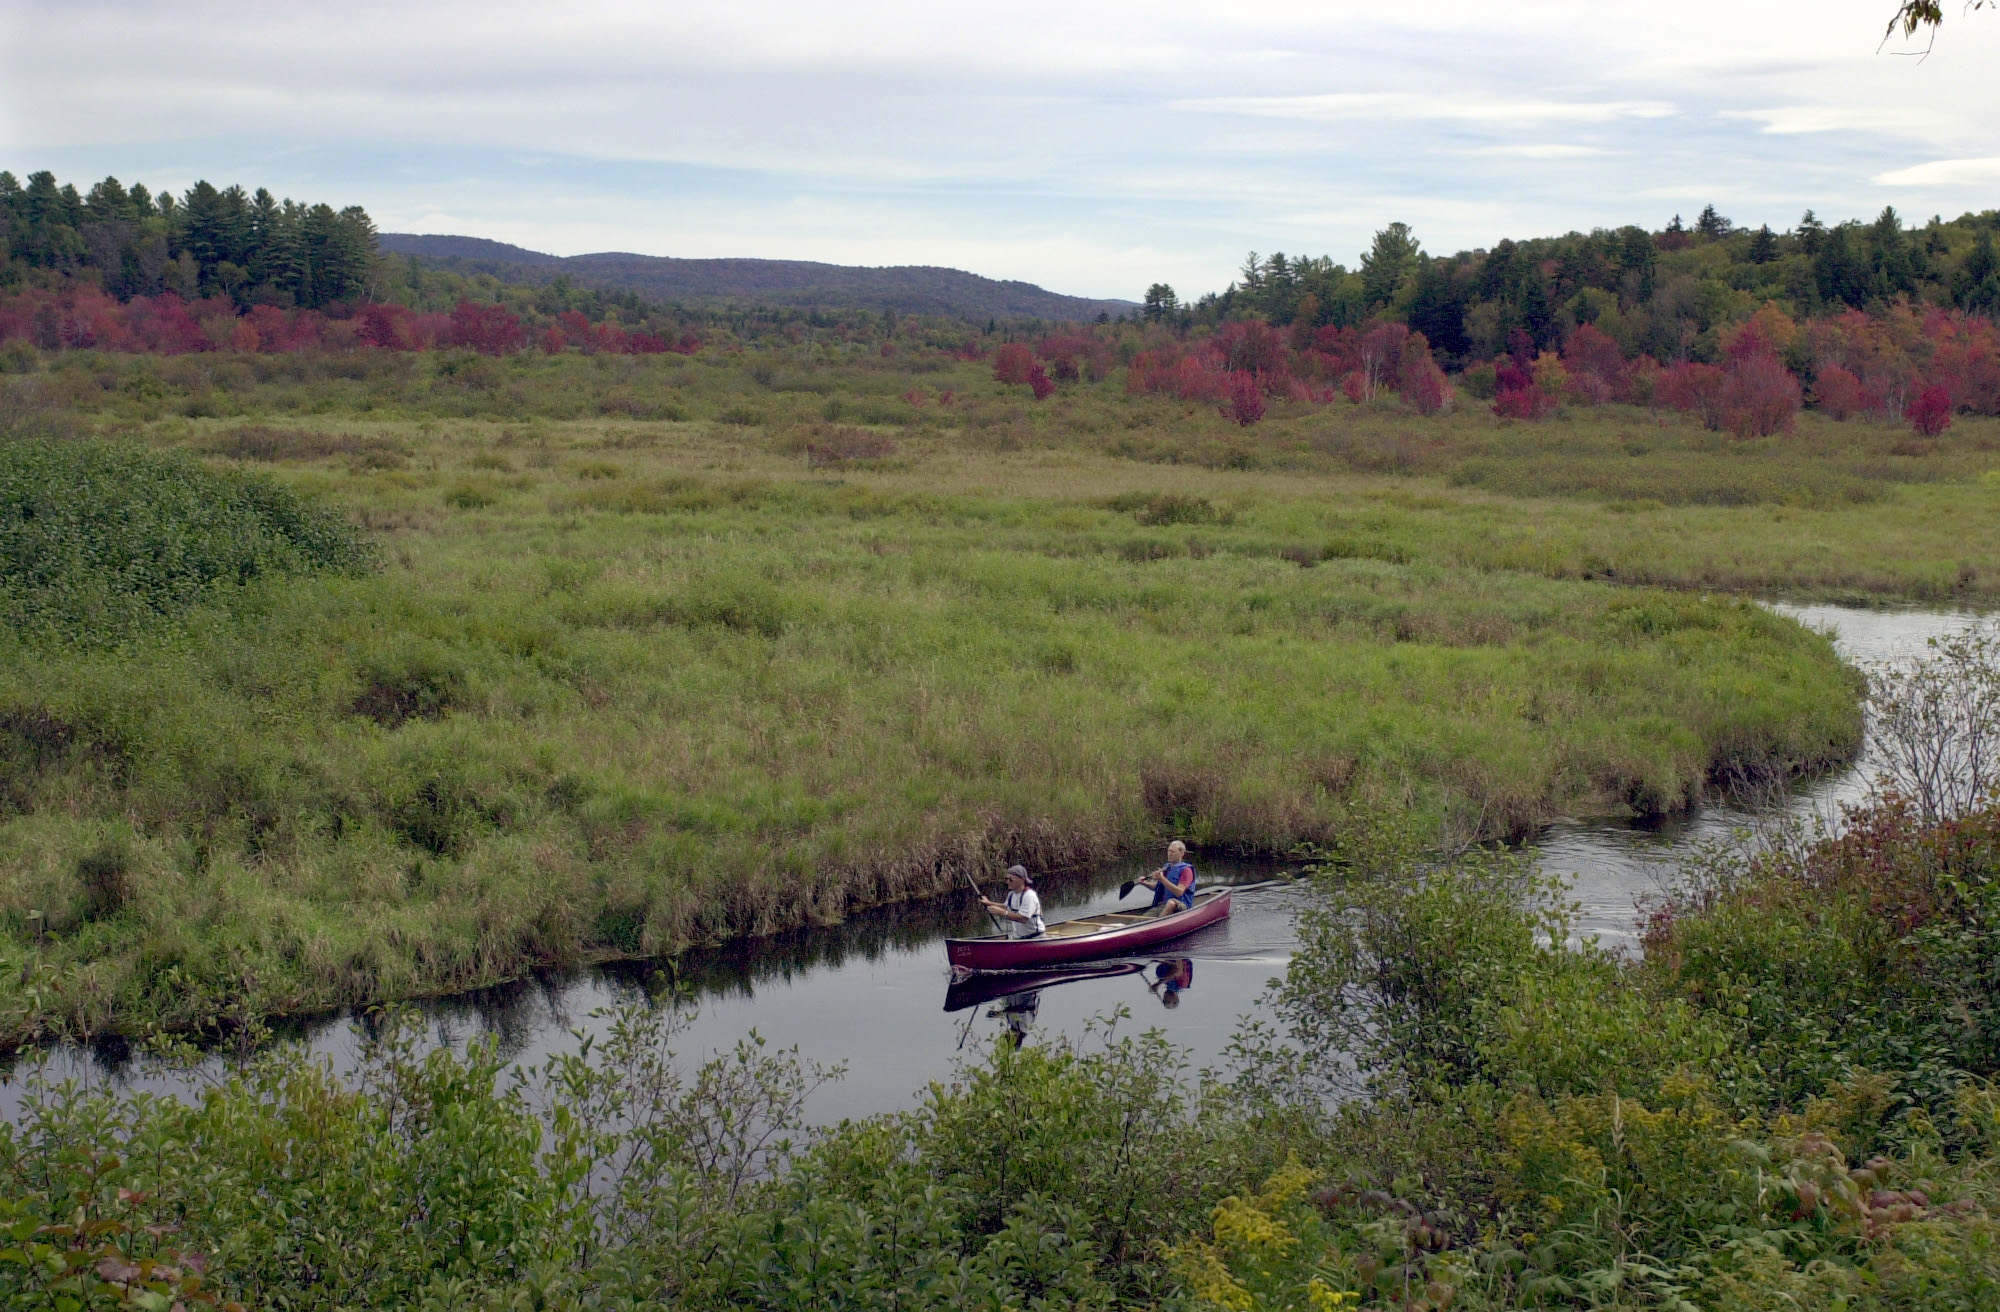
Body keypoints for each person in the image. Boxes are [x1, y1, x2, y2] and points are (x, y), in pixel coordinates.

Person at [980, 865, 1045, 939]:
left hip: (1035, 937)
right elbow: (1005, 906)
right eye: (1006, 879)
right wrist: (988, 903)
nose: (1008, 882)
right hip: (1019, 938)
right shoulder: (1012, 894)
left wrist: (1004, 913)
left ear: (1022, 879)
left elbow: (1023, 919)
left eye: (1011, 879)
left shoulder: (1029, 896)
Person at [1137, 840, 1196, 918]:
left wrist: (1162, 879)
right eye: (1169, 851)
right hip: (1164, 904)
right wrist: (1145, 883)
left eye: (1173, 852)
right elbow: (1158, 887)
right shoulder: (1166, 867)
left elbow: (1179, 892)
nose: (1170, 854)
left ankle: (1158, 922)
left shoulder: (1186, 870)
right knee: (1139, 920)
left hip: (1181, 905)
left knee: (1171, 903)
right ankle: (1156, 920)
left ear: (1181, 853)